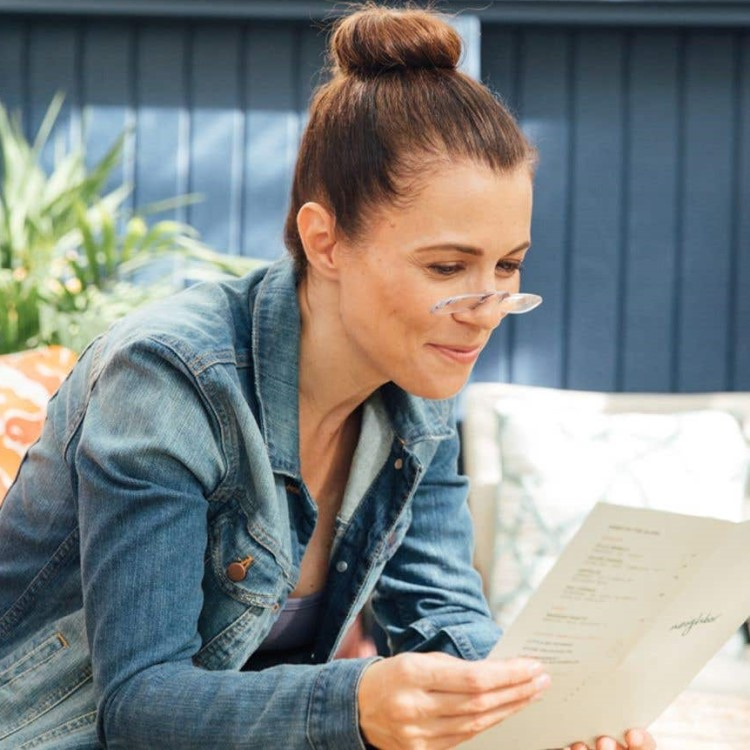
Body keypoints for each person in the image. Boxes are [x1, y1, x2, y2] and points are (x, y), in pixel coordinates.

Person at [0, 5, 657, 750]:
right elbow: (140, 706)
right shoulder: (169, 380)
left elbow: (444, 617)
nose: (486, 309)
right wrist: (355, 703)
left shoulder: (418, 386)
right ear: (326, 240)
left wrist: (533, 713)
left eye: (506, 266)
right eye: (447, 267)